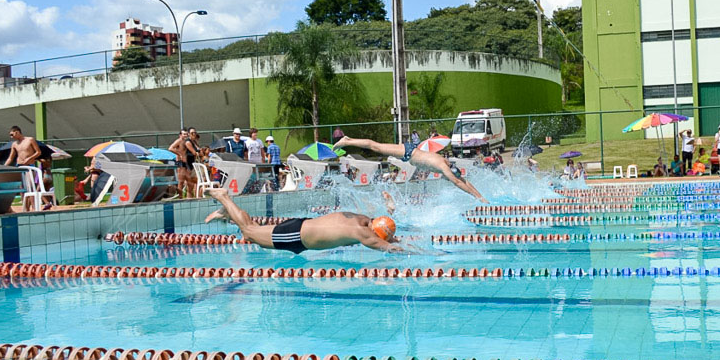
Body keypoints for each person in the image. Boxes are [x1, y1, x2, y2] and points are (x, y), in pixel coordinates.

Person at [204, 189, 402, 253]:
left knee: (255, 231)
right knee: (249, 233)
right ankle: (224, 197)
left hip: (300, 228)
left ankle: (227, 213)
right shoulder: (363, 234)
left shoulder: (363, 220)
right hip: (296, 235)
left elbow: (380, 236)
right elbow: (390, 249)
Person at [334, 135, 488, 202]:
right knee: (376, 147)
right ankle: (347, 141)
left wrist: (480, 196)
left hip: (410, 152)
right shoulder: (442, 166)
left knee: (377, 147)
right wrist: (477, 197)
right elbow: (458, 182)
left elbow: (463, 180)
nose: (447, 177)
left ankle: (348, 141)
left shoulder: (444, 162)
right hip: (409, 152)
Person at [168, 130, 191, 196]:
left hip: (186, 162)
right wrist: (179, 154)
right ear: (180, 135)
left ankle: (188, 196)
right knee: (181, 181)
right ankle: (180, 197)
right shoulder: (179, 141)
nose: (186, 135)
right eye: (184, 134)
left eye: (186, 134)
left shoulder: (187, 142)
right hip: (181, 162)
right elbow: (170, 148)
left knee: (188, 180)